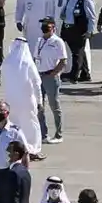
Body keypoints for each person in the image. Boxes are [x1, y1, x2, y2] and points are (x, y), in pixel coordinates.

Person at [30, 16, 70, 145]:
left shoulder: (57, 41)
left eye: (47, 25)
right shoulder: (40, 40)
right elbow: (35, 57)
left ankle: (59, 134)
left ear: (53, 27)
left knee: (54, 106)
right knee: (39, 106)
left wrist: (53, 74)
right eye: (43, 25)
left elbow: (63, 61)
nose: (44, 27)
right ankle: (43, 133)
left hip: (50, 76)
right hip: (39, 76)